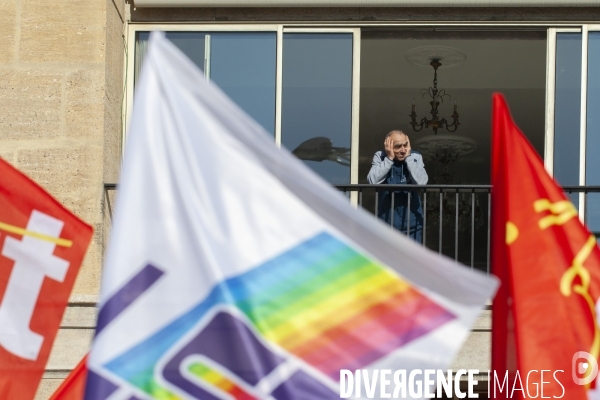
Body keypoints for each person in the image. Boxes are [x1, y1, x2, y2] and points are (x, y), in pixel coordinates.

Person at [367, 130, 428, 242]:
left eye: (405, 145)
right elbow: (372, 180)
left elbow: (422, 182)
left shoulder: (415, 156)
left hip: (413, 224)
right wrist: (389, 159)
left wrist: (409, 158)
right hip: (386, 224)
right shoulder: (380, 156)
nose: (403, 150)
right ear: (388, 145)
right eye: (398, 146)